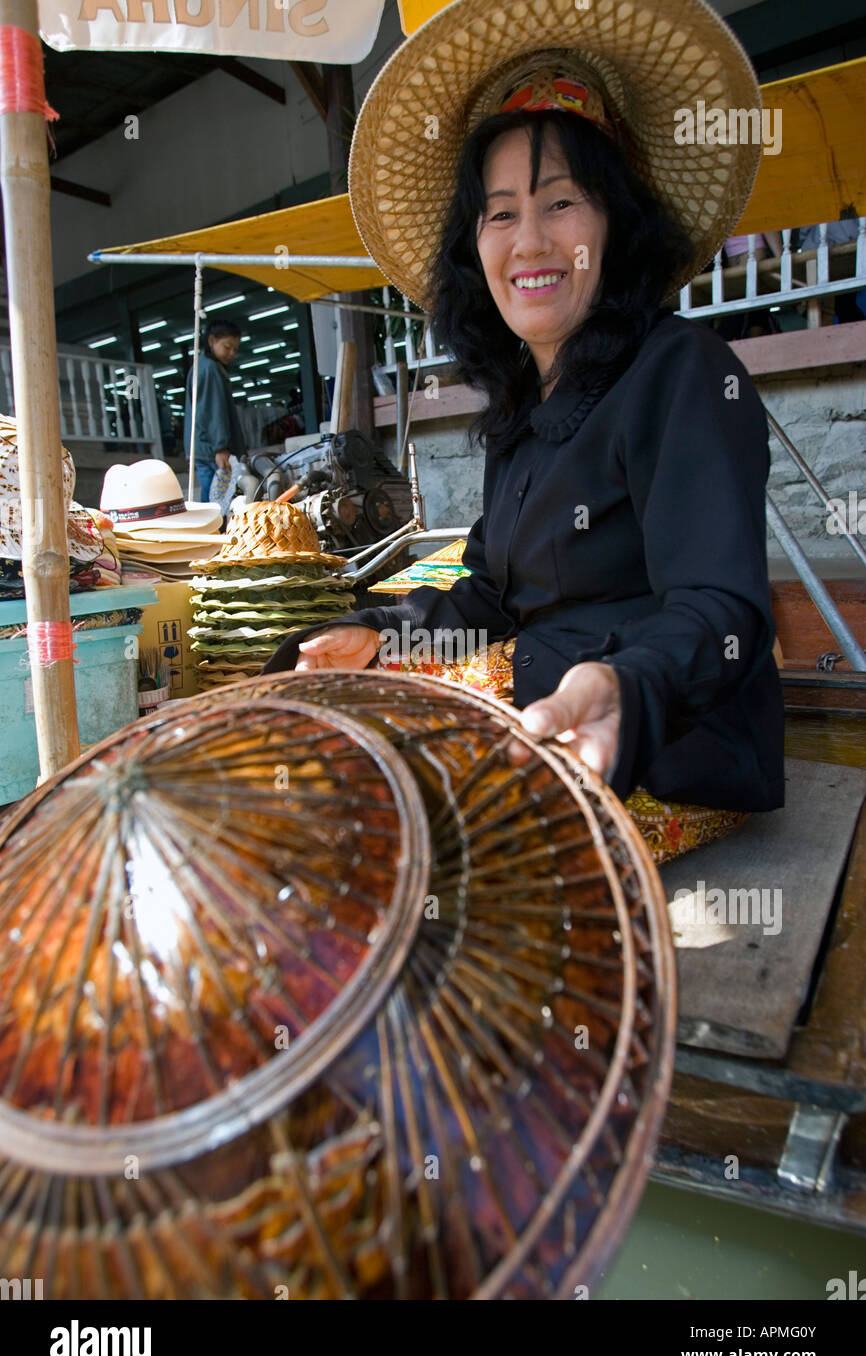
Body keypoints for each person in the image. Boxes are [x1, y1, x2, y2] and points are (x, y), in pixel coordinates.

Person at [263, 0, 785, 819]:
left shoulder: (683, 374)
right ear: (475, 248)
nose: (530, 241)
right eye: (501, 212)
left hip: (660, 758)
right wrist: (382, 631)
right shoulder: (522, 406)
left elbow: (720, 613)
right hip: (532, 707)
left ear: (616, 221)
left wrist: (625, 688)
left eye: (562, 202)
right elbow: (493, 601)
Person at [184, 318, 246, 502]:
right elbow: (212, 412)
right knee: (215, 498)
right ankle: (211, 529)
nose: (232, 353)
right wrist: (220, 447)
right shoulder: (209, 369)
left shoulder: (203, 366)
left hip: (203, 446)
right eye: (227, 347)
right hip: (211, 448)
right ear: (211, 341)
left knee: (211, 494)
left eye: (235, 349)